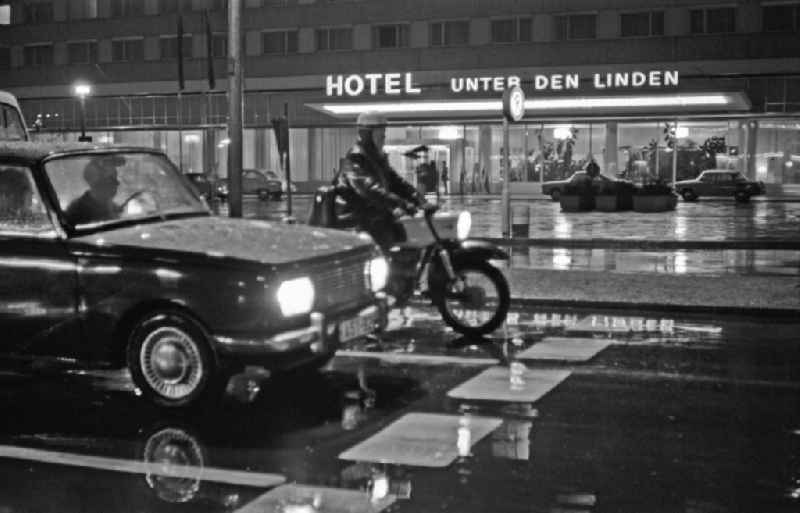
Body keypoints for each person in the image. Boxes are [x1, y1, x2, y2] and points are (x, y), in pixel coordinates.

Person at [335, 111, 428, 251]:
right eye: (380, 132)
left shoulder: (378, 158)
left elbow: (397, 182)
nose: (384, 136)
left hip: (373, 216)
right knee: (387, 242)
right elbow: (370, 189)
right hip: (354, 220)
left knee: (404, 236)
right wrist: (403, 205)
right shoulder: (355, 158)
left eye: (384, 131)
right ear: (367, 134)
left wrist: (419, 199)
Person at [65, 157, 122, 225]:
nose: (117, 183)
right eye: (111, 179)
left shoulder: (113, 206)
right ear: (96, 181)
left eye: (115, 177)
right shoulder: (77, 210)